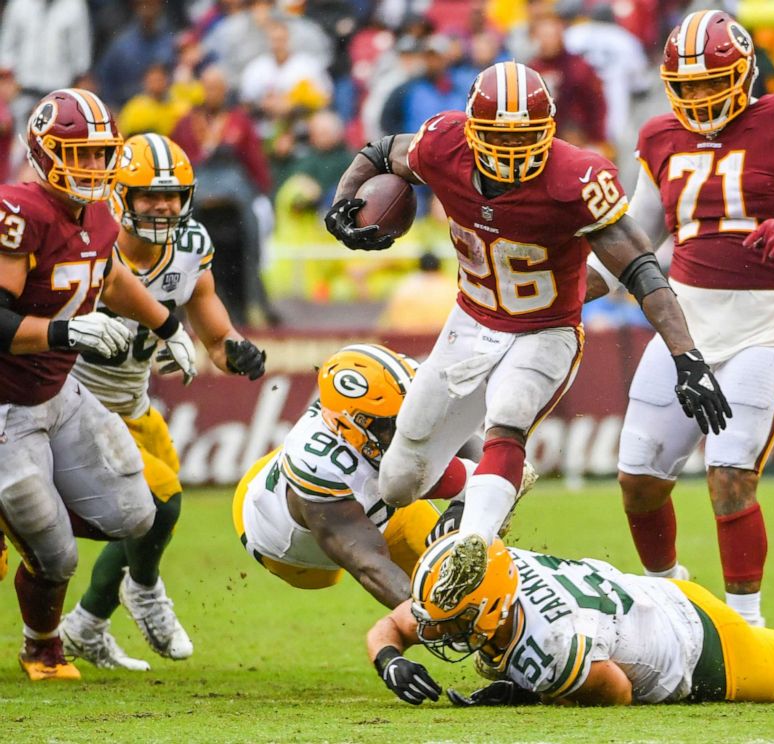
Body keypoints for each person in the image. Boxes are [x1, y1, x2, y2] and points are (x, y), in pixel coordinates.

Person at [324, 60, 730, 612]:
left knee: (509, 414)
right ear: (470, 130)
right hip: (470, 322)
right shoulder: (442, 144)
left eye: (526, 138)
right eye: (498, 138)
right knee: (397, 483)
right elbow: (379, 152)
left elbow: (640, 267)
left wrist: (687, 355)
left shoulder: (575, 178)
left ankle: (474, 546)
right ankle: (487, 484)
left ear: (550, 131)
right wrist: (343, 202)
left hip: (546, 328)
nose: (513, 152)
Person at [584, 10, 774, 627]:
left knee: (729, 473)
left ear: (743, 73)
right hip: (686, 322)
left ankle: (746, 623)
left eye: (707, 83)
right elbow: (633, 249)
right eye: (685, 87)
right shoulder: (659, 139)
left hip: (772, 318)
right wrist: (555, 290)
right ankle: (671, 596)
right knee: (638, 476)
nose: (696, 97)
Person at [0, 89, 198, 681]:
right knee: (55, 553)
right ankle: (43, 647)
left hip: (58, 395)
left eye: (98, 154)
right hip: (7, 407)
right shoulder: (20, 211)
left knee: (136, 512)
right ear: (44, 152)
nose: (90, 167)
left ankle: (20, 514)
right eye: (77, 154)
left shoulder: (102, 214)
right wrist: (66, 334)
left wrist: (168, 324)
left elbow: (108, 276)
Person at [59, 133, 267, 671]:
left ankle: (86, 625)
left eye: (173, 195)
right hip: (73, 399)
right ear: (119, 195)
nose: (163, 206)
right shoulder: (90, 242)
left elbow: (215, 336)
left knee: (152, 520)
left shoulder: (190, 247)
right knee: (160, 500)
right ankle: (144, 595)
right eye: (149, 194)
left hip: (132, 402)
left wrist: (237, 352)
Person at [367, 536, 774, 707]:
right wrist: (390, 659)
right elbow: (393, 626)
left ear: (494, 607)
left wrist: (529, 691)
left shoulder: (550, 643)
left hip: (696, 651)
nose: (440, 633)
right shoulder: (496, 574)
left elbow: (615, 690)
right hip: (666, 599)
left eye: (452, 624)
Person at [231, 343, 535, 609]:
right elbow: (370, 565)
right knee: (443, 594)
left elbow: (456, 436)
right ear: (354, 425)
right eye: (393, 423)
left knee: (475, 576)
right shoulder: (321, 470)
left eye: (409, 413)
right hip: (288, 547)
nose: (409, 426)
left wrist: (476, 498)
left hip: (369, 495)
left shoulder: (397, 394)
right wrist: (436, 620)